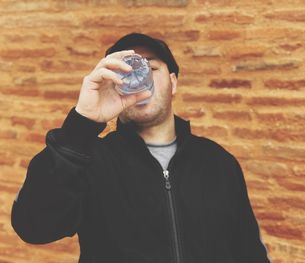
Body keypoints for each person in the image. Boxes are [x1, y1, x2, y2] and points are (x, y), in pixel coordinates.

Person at [11, 32, 271, 263]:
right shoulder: (89, 159)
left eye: (151, 68)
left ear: (173, 82)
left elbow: (249, 251)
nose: (139, 76)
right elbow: (34, 226)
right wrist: (82, 124)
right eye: (124, 71)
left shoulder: (218, 162)